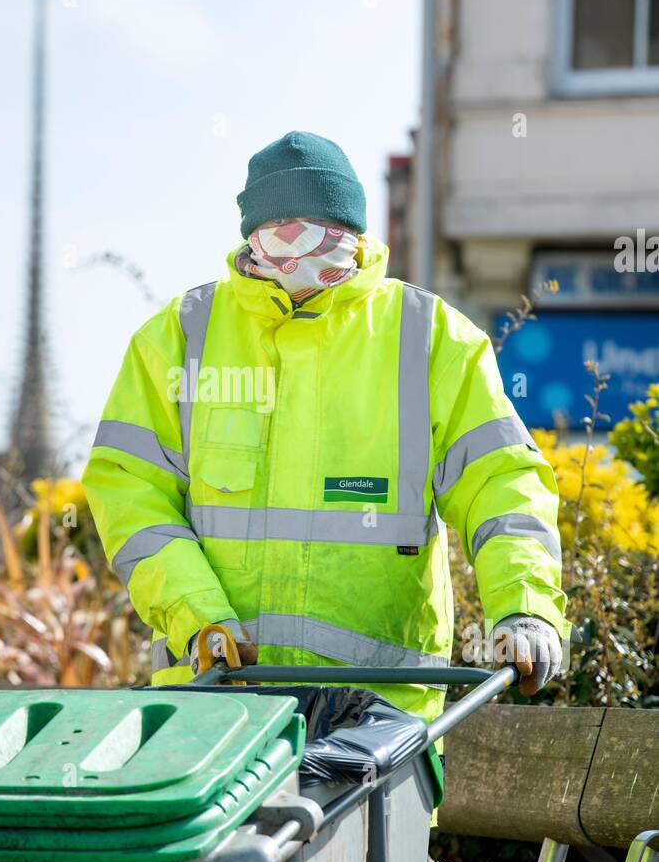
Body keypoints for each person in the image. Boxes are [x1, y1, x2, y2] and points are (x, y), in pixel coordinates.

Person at [83, 129, 568, 716]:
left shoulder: (431, 338)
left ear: (357, 236)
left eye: (323, 235)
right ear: (252, 237)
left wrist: (524, 606)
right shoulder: (179, 336)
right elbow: (130, 491)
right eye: (284, 235)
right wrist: (196, 614)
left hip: (380, 718)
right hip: (214, 704)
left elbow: (501, 482)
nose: (302, 253)